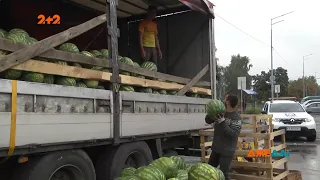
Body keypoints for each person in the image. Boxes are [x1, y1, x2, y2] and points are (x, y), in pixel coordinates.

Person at [205, 93, 242, 180]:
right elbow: (207, 120)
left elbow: (233, 134)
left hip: (227, 151)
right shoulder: (221, 112)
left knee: (223, 175)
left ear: (228, 102)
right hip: (216, 149)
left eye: (225, 99)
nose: (223, 100)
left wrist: (222, 122)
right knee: (209, 172)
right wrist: (211, 113)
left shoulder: (236, 118)